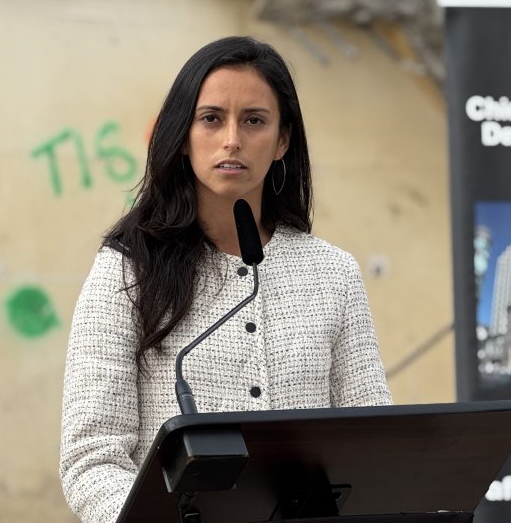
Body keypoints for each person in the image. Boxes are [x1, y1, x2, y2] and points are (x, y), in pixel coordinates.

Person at [59, 37, 392, 523]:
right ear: (182, 134)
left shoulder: (333, 273)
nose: (232, 139)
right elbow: (91, 457)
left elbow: (373, 446)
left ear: (282, 141)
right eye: (211, 118)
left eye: (254, 120)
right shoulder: (128, 268)